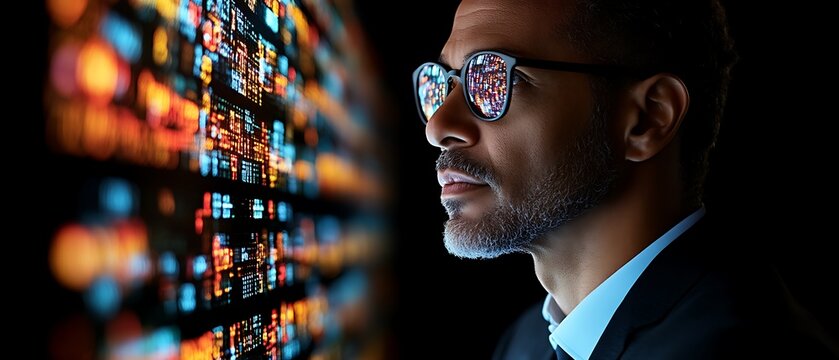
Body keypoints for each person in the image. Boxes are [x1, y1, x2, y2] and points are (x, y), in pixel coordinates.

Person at [412, 0, 839, 359]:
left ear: (648, 119)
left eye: (491, 79)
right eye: (442, 84)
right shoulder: (525, 344)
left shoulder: (745, 347)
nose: (438, 126)